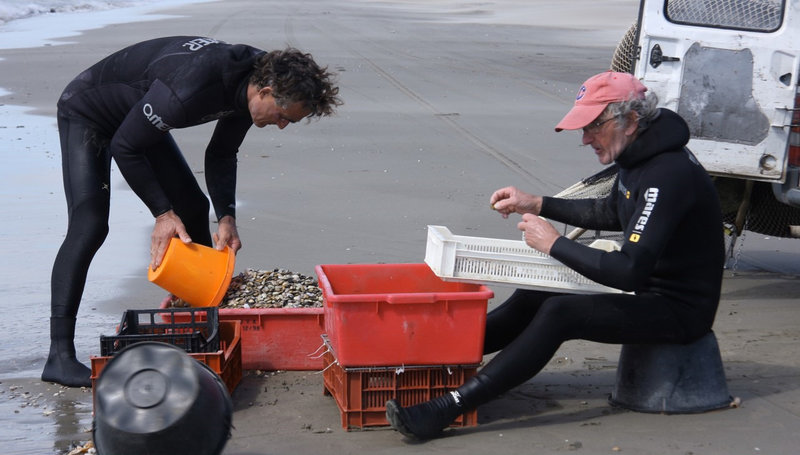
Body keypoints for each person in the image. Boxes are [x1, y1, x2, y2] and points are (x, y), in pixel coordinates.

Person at [386, 71, 724, 439]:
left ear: (629, 121)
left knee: (563, 312)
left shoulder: (668, 173)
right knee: (537, 291)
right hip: (646, 291)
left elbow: (628, 271)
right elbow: (610, 212)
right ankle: (427, 361)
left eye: (593, 126)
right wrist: (537, 203)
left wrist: (553, 244)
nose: (585, 139)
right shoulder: (640, 157)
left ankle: (448, 407)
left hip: (679, 310)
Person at [42, 36, 342, 387]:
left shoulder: (254, 78)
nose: (281, 126)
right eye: (282, 116)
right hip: (89, 111)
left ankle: (201, 327)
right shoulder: (191, 89)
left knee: (195, 207)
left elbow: (221, 153)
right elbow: (126, 147)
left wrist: (227, 217)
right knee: (90, 225)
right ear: (265, 91)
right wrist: (162, 214)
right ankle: (58, 356)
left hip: (138, 114)